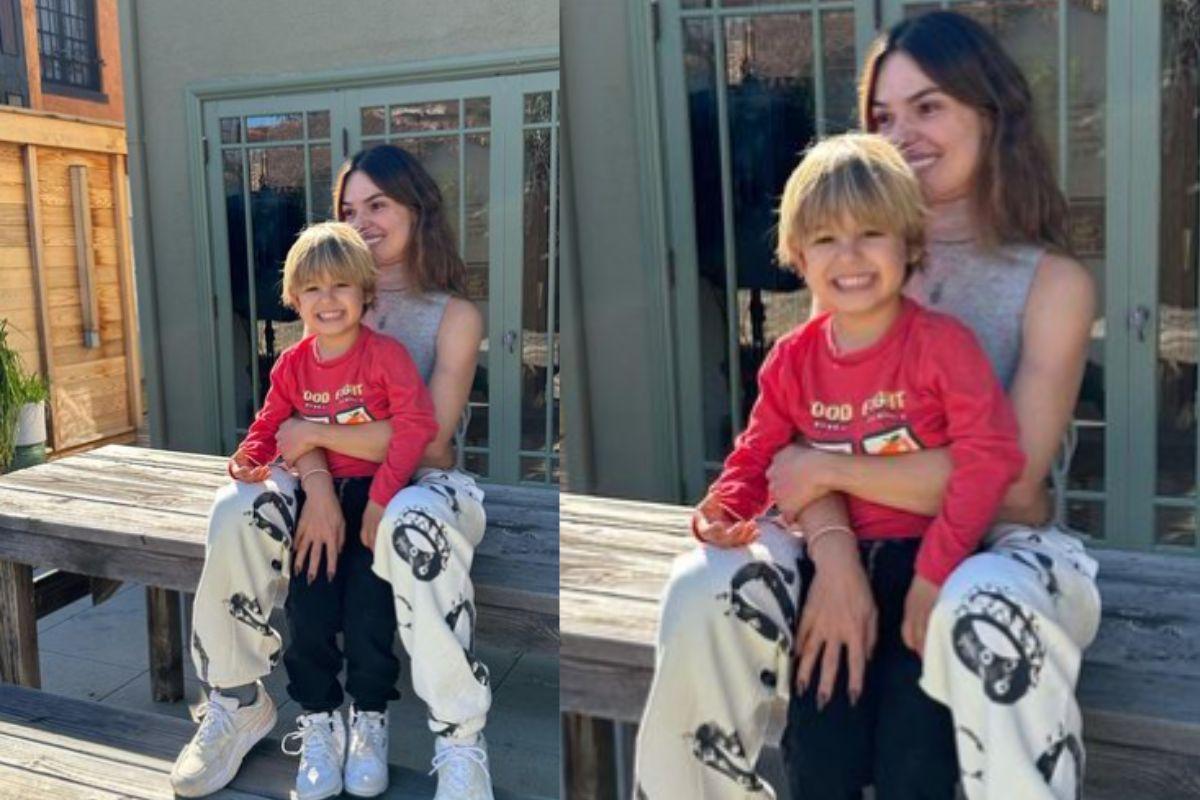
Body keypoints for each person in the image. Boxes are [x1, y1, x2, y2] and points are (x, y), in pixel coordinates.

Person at [635, 11, 1100, 800]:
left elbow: (1012, 485)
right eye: (883, 116)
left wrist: (824, 471)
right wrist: (834, 550)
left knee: (982, 610)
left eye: (929, 106)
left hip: (991, 548)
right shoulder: (856, 263)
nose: (902, 133)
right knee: (701, 588)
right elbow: (803, 433)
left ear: (991, 113)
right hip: (852, 536)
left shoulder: (1049, 282)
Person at [642, 130, 1025, 799]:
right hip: (829, 570)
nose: (849, 256)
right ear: (797, 254)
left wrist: (935, 575)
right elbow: (760, 449)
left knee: (917, 758)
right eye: (825, 239)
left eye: (871, 233)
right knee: (821, 752)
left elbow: (989, 459)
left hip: (930, 562)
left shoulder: (942, 347)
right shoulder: (793, 359)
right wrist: (726, 506)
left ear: (910, 243)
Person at [171, 145, 494, 800]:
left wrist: (315, 436)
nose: (363, 220)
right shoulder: (329, 299)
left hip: (418, 486)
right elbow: (292, 413)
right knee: (236, 506)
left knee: (410, 522)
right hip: (331, 480)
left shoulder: (451, 315)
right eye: (349, 209)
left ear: (416, 208)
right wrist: (315, 482)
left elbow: (430, 443)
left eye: (379, 204)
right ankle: (236, 700)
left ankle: (459, 737)